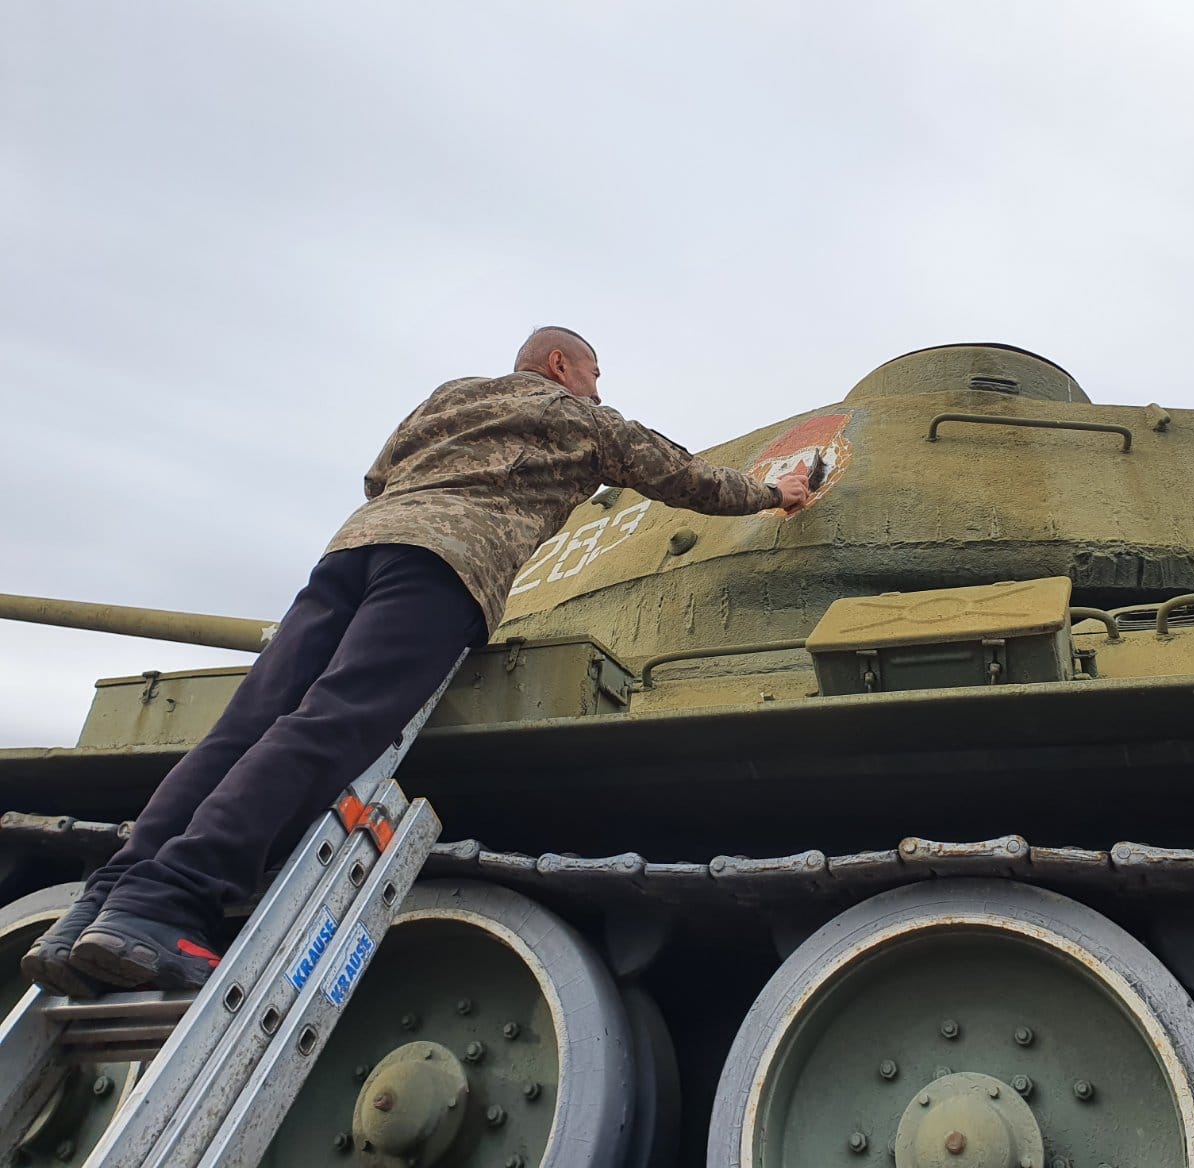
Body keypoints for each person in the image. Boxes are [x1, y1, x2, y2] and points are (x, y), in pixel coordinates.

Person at [23, 326, 811, 995]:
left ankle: (99, 908)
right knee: (335, 725)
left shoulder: (451, 396)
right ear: (561, 367)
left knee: (243, 729)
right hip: (445, 564)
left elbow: (380, 474)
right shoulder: (576, 416)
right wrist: (775, 495)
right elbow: (683, 475)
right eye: (595, 375)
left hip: (354, 551)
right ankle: (169, 900)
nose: (599, 392)